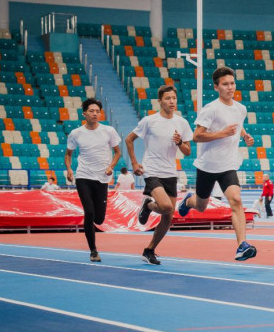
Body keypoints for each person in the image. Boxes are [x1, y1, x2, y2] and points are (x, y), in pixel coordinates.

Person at [176, 66, 258, 261]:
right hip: (208, 165)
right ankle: (188, 200)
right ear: (216, 87)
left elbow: (238, 124)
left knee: (236, 200)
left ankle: (242, 245)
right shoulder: (210, 109)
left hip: (228, 165)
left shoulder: (241, 109)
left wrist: (245, 135)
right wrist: (222, 133)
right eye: (225, 84)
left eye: (232, 83)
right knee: (201, 206)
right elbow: (197, 136)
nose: (230, 87)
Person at [126, 84, 193, 265]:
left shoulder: (182, 123)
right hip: (152, 171)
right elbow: (129, 139)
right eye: (167, 98)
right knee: (165, 206)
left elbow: (187, 151)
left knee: (168, 217)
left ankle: (149, 250)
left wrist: (180, 143)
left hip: (170, 172)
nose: (172, 101)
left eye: (174, 98)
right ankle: (148, 205)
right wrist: (134, 163)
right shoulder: (149, 121)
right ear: (160, 101)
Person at [65, 98, 122, 262]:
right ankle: (93, 250)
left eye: (98, 111)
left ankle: (93, 236)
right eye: (92, 111)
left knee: (99, 219)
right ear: (84, 113)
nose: (95, 114)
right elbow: (68, 154)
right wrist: (69, 169)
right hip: (83, 176)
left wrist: (111, 166)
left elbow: (118, 152)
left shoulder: (109, 131)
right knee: (89, 212)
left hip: (102, 178)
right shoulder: (76, 133)